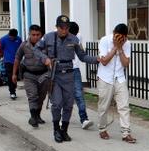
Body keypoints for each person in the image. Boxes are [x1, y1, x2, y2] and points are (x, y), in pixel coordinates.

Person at [33, 15, 99, 143]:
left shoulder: (74, 39)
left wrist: (96, 59)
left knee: (68, 105)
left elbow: (82, 56)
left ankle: (64, 130)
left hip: (69, 75)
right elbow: (36, 49)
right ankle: (56, 129)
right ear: (57, 27)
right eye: (61, 28)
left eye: (66, 28)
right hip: (55, 75)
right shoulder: (48, 37)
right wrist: (45, 58)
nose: (64, 30)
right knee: (57, 104)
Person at [96, 23, 135, 143]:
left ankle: (126, 132)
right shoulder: (104, 40)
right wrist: (114, 48)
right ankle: (102, 129)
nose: (119, 39)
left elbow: (126, 64)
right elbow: (104, 61)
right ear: (113, 33)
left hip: (120, 78)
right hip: (105, 78)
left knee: (124, 106)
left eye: (122, 38)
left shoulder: (127, 43)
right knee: (104, 106)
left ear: (125, 37)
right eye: (117, 36)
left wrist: (120, 48)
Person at [12, 24, 49, 128]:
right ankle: (33, 117)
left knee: (41, 98)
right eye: (33, 34)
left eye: (38, 34)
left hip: (43, 75)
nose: (36, 37)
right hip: (29, 75)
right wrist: (14, 74)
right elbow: (17, 59)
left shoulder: (45, 46)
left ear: (41, 35)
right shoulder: (24, 45)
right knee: (33, 96)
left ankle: (37, 116)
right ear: (29, 34)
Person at [68, 21, 93, 130]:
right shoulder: (56, 35)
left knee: (79, 95)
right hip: (61, 70)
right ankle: (60, 118)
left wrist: (95, 59)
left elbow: (81, 53)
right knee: (62, 96)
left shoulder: (78, 37)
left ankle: (84, 119)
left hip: (75, 69)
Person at [0, 28, 22, 100]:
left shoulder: (18, 39)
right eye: (11, 37)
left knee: (15, 76)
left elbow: (20, 49)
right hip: (8, 61)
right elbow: (1, 48)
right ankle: (12, 92)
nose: (12, 38)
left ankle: (13, 88)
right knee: (10, 76)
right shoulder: (3, 39)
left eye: (13, 37)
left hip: (17, 61)